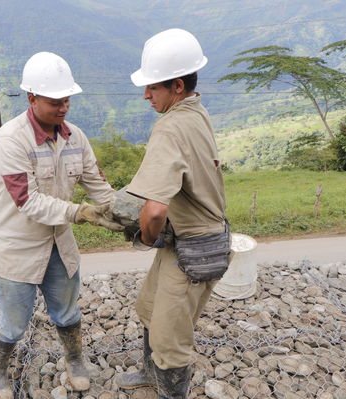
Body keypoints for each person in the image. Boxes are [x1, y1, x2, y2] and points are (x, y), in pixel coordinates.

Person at [0, 51, 123, 399]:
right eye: (54, 101)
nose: (63, 107)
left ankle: (74, 360)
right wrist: (80, 213)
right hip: (16, 246)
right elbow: (27, 200)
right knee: (14, 321)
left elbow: (98, 186)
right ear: (32, 98)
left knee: (67, 310)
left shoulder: (75, 138)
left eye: (67, 100)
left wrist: (124, 212)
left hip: (59, 244)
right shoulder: (11, 140)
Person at [115, 29, 228, 398]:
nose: (146, 95)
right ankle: (150, 374)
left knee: (170, 337)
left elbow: (155, 209)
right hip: (184, 240)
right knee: (149, 307)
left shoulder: (170, 126)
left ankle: (170, 390)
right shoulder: (196, 110)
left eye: (153, 87)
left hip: (194, 246)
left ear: (177, 85)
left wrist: (147, 237)